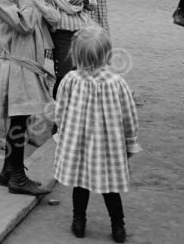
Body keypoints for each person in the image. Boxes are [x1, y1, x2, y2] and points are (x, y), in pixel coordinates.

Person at [53, 25, 140, 242]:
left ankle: (79, 222)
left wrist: (62, 135)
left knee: (80, 186)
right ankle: (118, 226)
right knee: (111, 190)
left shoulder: (70, 80)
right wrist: (130, 143)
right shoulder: (117, 83)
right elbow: (129, 116)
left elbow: (60, 111)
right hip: (108, 149)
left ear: (76, 53)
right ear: (107, 54)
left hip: (79, 147)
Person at [0, 0, 57, 196]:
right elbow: (25, 25)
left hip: (27, 66)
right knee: (17, 124)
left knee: (21, 121)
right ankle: (17, 176)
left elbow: (46, 21)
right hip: (15, 67)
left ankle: (9, 171)